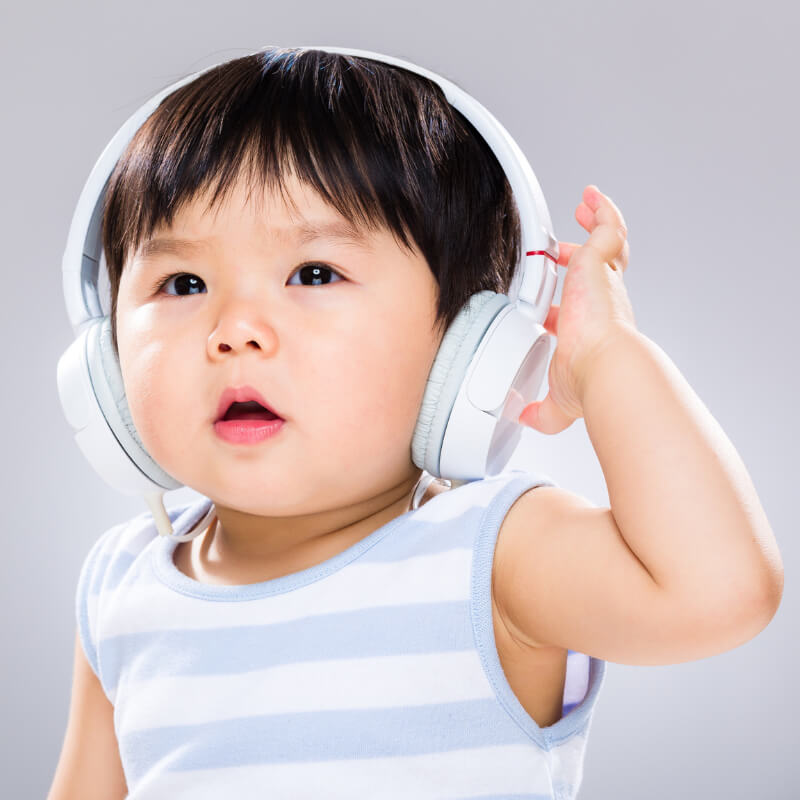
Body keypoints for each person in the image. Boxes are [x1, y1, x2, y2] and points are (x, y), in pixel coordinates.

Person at [48, 48, 784, 800]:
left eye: (313, 274)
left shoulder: (490, 557)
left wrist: (607, 359)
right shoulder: (121, 585)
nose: (236, 329)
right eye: (183, 283)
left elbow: (719, 593)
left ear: (466, 348)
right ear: (103, 355)